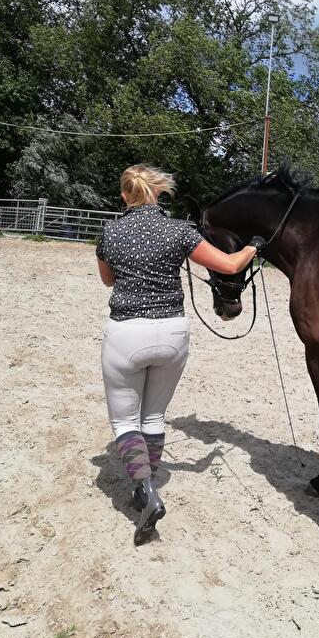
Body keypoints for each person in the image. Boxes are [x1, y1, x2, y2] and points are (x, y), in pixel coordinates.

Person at [96, 164, 264, 545]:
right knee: (154, 416)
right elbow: (232, 265)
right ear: (159, 193)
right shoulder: (180, 231)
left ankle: (145, 492)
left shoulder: (110, 231)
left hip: (126, 331)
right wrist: (256, 244)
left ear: (125, 196)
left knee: (125, 423)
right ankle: (149, 483)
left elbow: (108, 280)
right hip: (171, 332)